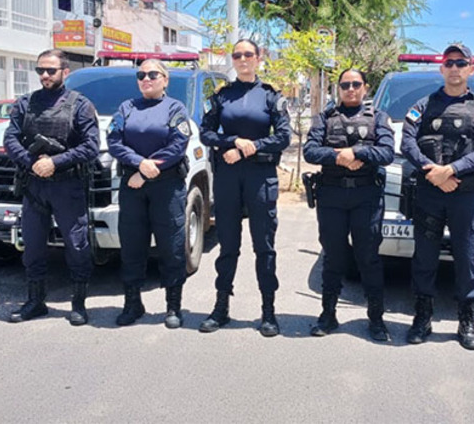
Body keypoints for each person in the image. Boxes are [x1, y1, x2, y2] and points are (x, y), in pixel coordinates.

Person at [400, 44, 474, 350]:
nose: (455, 68)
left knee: (467, 258)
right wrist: (433, 171)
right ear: (441, 69)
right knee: (424, 257)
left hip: (465, 197)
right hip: (429, 193)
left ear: (471, 69)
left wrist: (450, 170)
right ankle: (422, 317)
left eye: (461, 63)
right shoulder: (422, 106)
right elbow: (407, 142)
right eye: (449, 63)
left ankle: (467, 321)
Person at [198, 39, 291, 337]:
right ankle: (221, 307)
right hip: (228, 177)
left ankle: (268, 311)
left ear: (258, 58)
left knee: (264, 246)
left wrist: (249, 147)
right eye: (237, 55)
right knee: (228, 244)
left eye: (248, 54)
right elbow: (205, 133)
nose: (242, 59)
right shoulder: (222, 96)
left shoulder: (271, 96)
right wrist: (232, 141)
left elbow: (284, 137)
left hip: (261, 176)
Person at [4, 49, 100, 326]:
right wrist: (32, 162)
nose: (44, 75)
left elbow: (91, 146)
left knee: (77, 245)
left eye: (50, 70)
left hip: (67, 186)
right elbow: (10, 139)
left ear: (65, 72)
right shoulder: (26, 103)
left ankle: (79, 304)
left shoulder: (80, 105)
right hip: (34, 185)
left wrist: (55, 162)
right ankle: (35, 302)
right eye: (40, 70)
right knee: (32, 247)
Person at [303, 69, 395, 341]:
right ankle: (328, 315)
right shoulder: (325, 118)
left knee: (368, 257)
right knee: (333, 256)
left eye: (356, 84)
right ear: (339, 88)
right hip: (331, 195)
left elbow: (387, 152)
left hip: (366, 196)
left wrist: (357, 152)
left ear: (365, 87)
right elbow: (310, 150)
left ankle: (376, 319)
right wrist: (338, 157)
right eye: (345, 85)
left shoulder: (378, 118)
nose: (351, 89)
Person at [107, 59, 191, 329]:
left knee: (171, 247)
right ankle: (133, 303)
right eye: (141, 75)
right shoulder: (127, 107)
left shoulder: (175, 108)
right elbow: (114, 141)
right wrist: (139, 162)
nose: (146, 79)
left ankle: (173, 306)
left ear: (165, 80)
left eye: (153, 74)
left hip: (166, 186)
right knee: (132, 246)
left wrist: (144, 172)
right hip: (132, 187)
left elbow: (177, 145)